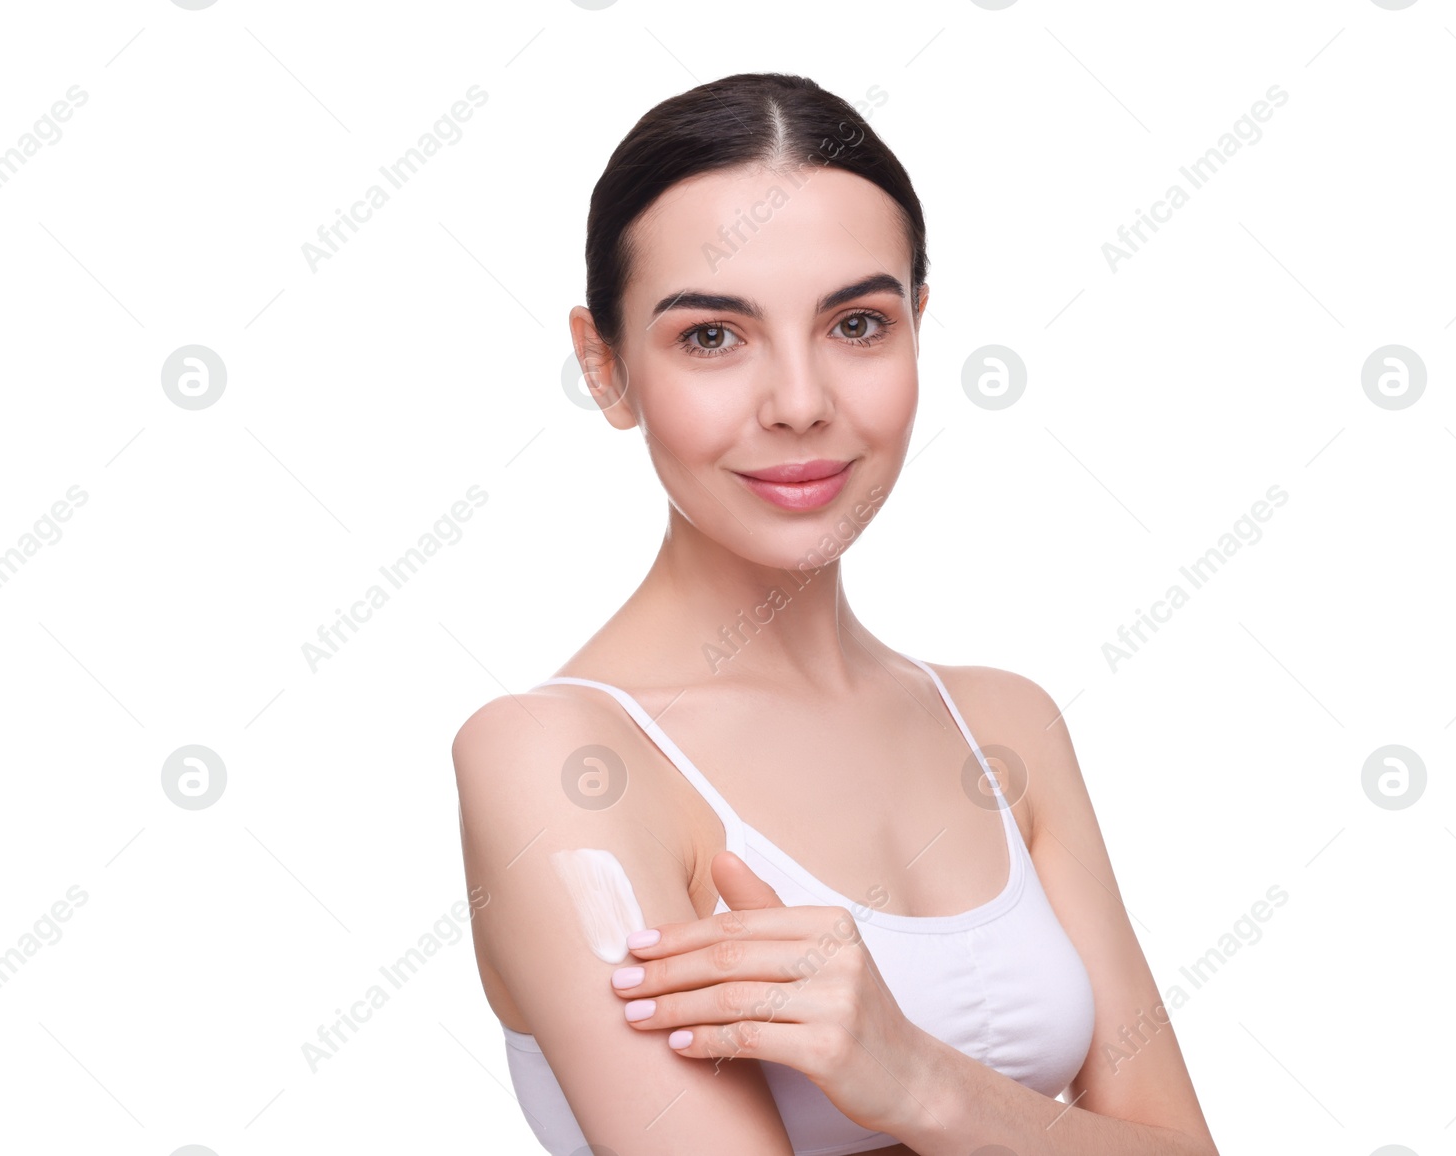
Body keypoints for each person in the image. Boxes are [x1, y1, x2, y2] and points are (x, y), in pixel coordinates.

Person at [452, 71, 1219, 1156]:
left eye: (857, 323)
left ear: (916, 331)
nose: (802, 401)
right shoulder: (559, 758)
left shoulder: (1005, 727)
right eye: (713, 337)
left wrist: (919, 1083)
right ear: (605, 367)